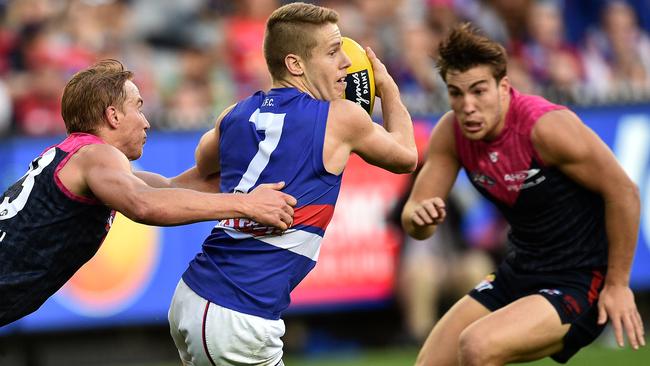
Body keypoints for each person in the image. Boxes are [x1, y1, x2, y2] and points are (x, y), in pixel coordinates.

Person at [167, 2, 418, 366]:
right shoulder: (342, 118)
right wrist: (388, 88)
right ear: (295, 64)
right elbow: (406, 155)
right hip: (239, 313)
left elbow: (204, 167)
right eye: (334, 52)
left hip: (195, 296)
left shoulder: (232, 116)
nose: (346, 63)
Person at [401, 23, 645, 365]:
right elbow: (415, 219)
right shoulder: (451, 133)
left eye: (478, 91)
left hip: (579, 278)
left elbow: (624, 192)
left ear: (503, 87)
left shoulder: (546, 128)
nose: (467, 105)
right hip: (520, 270)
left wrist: (618, 285)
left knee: (477, 345)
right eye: (456, 93)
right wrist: (420, 217)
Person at [0, 59, 297, 327]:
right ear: (113, 116)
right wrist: (245, 204)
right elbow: (144, 204)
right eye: (138, 107)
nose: (147, 122)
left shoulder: (83, 159)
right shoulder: (97, 154)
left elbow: (177, 188)